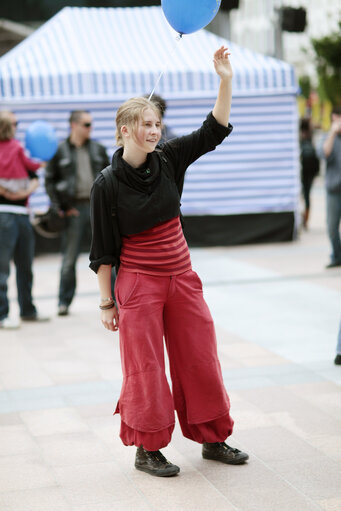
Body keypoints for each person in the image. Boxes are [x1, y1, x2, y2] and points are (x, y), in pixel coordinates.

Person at [89, 47, 249, 477]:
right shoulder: (106, 184)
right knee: (145, 368)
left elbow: (213, 130)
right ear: (126, 130)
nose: (155, 130)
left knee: (200, 356)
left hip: (182, 277)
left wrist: (225, 80)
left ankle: (213, 437)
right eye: (147, 124)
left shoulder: (170, 160)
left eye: (157, 123)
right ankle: (147, 448)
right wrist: (108, 304)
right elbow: (103, 251)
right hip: (139, 282)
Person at [45, 110, 110, 316]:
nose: (90, 128)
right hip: (74, 209)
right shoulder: (60, 151)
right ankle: (63, 302)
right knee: (68, 259)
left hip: (97, 208)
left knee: (109, 255)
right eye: (86, 124)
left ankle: (117, 298)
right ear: (73, 125)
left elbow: (112, 176)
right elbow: (49, 180)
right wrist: (60, 207)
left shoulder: (98, 149)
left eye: (91, 124)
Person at [0, 111, 49, 328]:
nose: (17, 126)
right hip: (9, 213)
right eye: (14, 123)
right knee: (12, 267)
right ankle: (8, 313)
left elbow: (31, 174)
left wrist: (16, 192)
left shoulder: (16, 147)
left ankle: (24, 310)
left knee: (20, 266)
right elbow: (32, 168)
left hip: (19, 213)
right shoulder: (17, 147)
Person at [320, 105, 341, 268]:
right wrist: (333, 132)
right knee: (332, 227)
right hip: (333, 190)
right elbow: (325, 153)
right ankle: (337, 256)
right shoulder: (328, 137)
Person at [299, 117, 319, 229]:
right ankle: (305, 218)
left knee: (302, 195)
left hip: (303, 172)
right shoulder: (310, 137)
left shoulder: (299, 137)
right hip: (310, 172)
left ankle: (303, 217)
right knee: (307, 196)